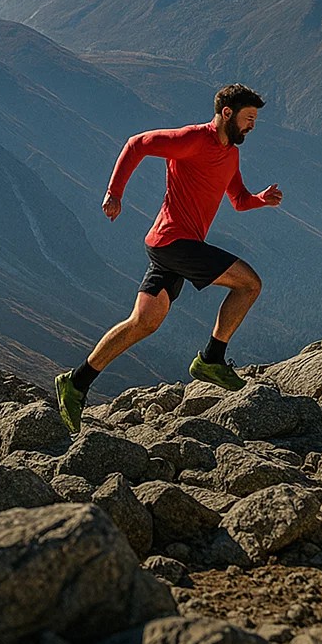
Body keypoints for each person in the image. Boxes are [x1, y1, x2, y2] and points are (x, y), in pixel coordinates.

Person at [54, 82, 282, 433]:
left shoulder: (231, 153)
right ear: (227, 113)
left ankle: (76, 382)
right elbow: (137, 144)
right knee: (249, 284)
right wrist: (114, 193)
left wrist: (260, 200)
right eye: (249, 118)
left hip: (168, 245)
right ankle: (211, 359)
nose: (252, 125)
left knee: (144, 321)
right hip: (174, 242)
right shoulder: (193, 139)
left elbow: (237, 198)